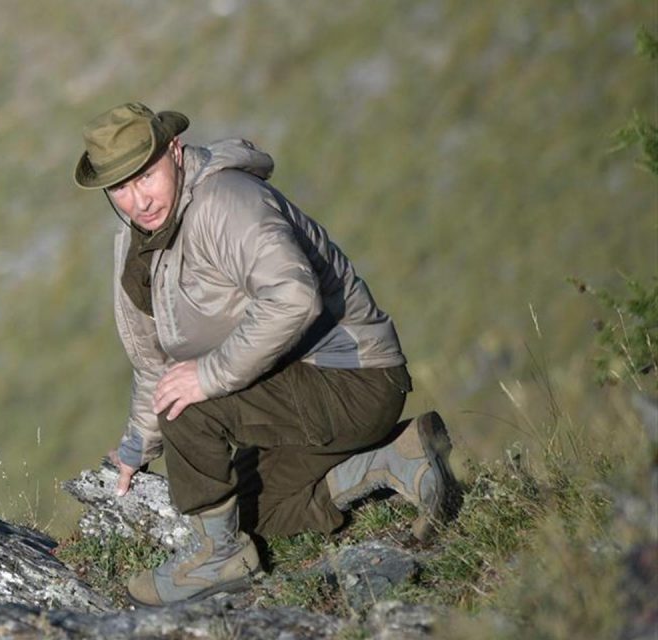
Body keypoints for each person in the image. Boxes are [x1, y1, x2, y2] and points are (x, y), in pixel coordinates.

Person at [72, 102, 457, 607]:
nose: (137, 199)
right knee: (249, 511)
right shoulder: (135, 250)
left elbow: (294, 297)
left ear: (175, 151)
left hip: (352, 378)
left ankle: (218, 561)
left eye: (145, 175)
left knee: (191, 402)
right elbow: (156, 364)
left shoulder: (225, 201)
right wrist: (134, 451)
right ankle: (396, 461)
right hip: (292, 390)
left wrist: (207, 378)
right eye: (120, 187)